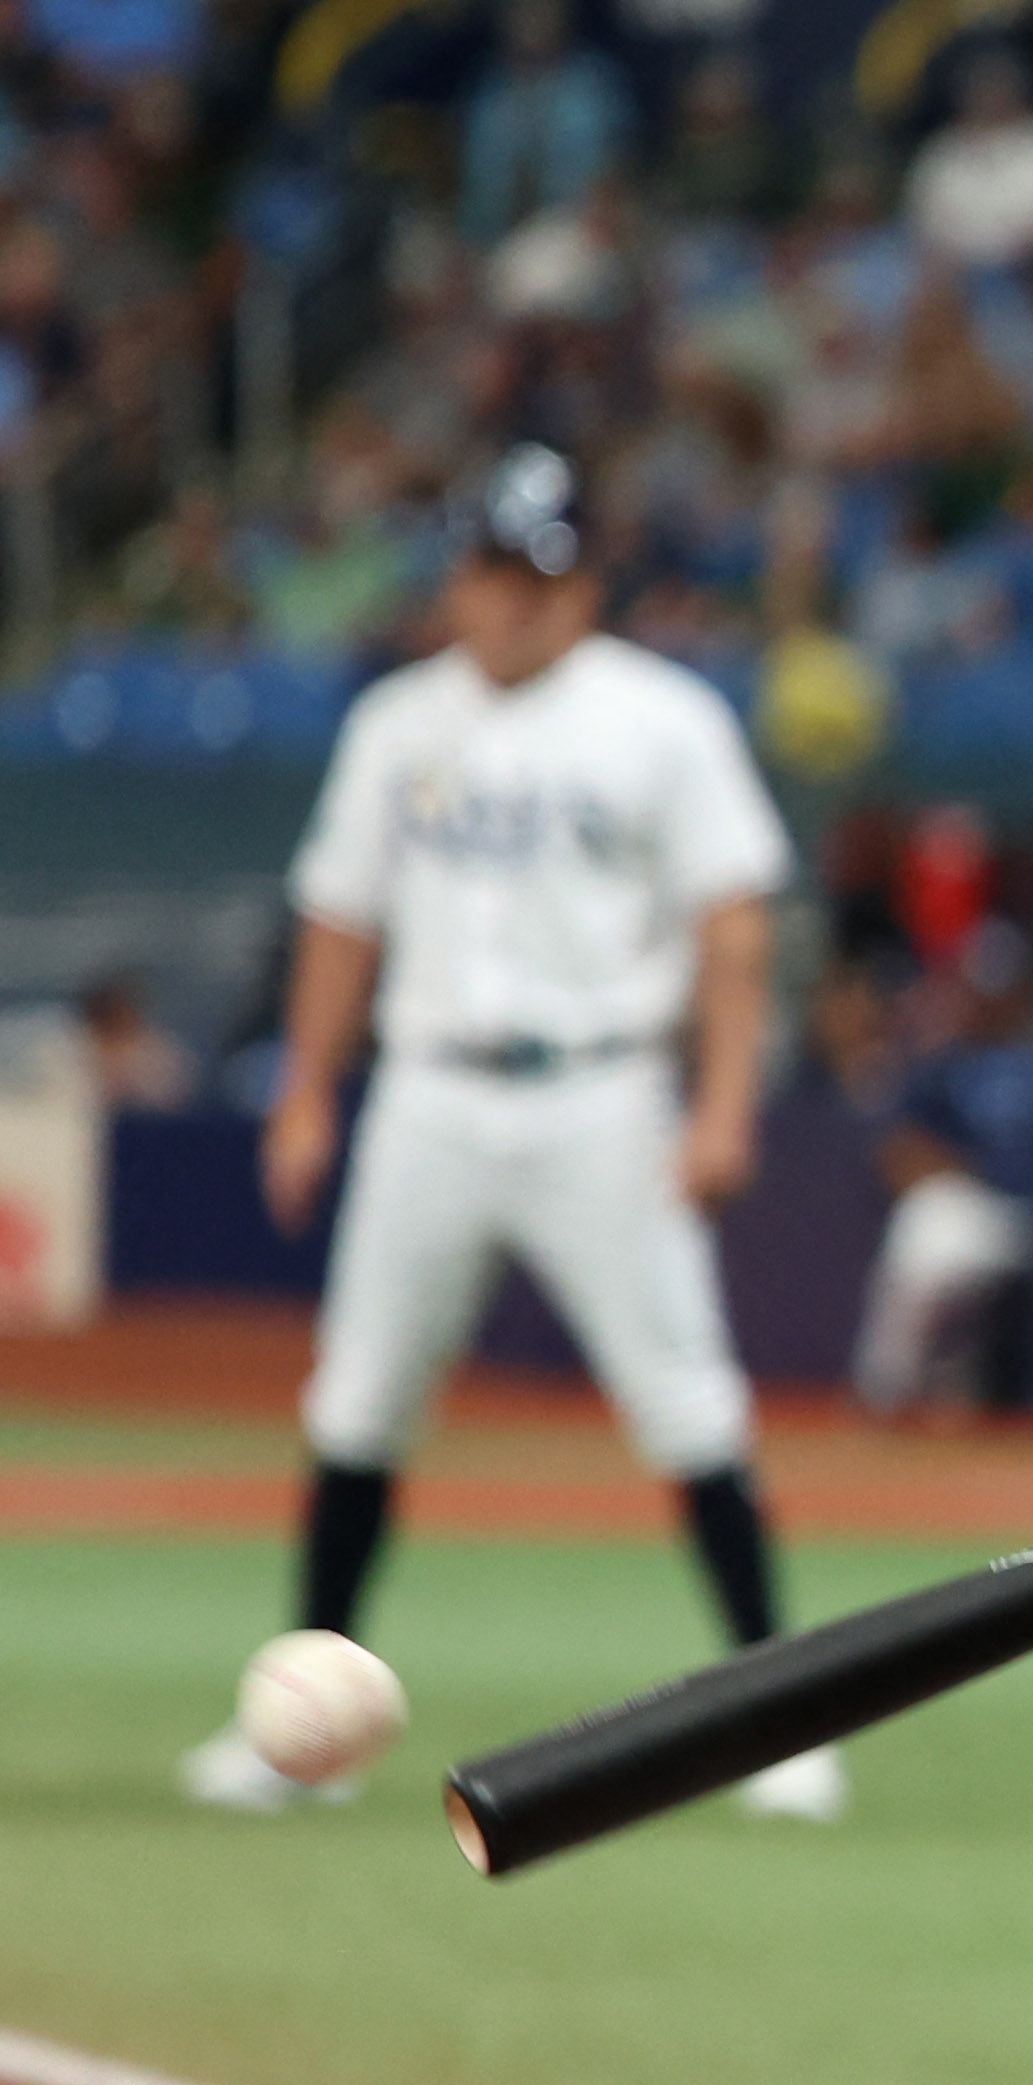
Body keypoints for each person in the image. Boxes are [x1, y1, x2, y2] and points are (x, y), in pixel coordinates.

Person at [181, 447, 844, 1824]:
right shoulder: (397, 726)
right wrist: (307, 1088)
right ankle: (304, 1728)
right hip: (428, 1090)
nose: (512, 600)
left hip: (602, 1092)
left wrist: (721, 1106)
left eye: (538, 573)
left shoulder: (659, 720)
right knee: (358, 1400)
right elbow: (341, 919)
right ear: (456, 578)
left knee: (686, 1404)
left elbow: (734, 928)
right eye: (491, 569)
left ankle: (782, 1723)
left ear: (584, 582)